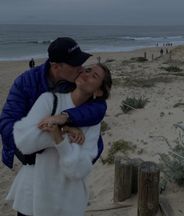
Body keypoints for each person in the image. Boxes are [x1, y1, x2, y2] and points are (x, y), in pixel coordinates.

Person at [6, 63, 112, 216]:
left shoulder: (93, 120)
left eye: (94, 76)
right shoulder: (49, 100)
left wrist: (60, 138)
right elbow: (24, 143)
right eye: (87, 70)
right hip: (32, 195)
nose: (87, 74)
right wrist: (64, 132)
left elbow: (78, 170)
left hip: (67, 201)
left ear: (99, 91)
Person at [0, 37, 107, 170]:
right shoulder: (25, 82)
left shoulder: (77, 81)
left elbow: (99, 107)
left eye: (81, 62)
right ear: (56, 66)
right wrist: (34, 145)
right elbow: (6, 122)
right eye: (75, 64)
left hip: (64, 161)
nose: (81, 69)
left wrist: (67, 118)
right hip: (29, 158)